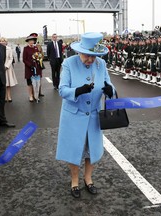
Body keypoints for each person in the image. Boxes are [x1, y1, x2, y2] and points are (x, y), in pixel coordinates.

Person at [56, 32, 115, 198]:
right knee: (75, 149)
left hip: (94, 115)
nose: (91, 60)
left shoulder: (101, 64)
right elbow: (62, 89)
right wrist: (78, 90)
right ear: (79, 51)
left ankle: (88, 178)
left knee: (92, 150)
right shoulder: (69, 63)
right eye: (87, 56)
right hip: (74, 114)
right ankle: (74, 180)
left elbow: (109, 83)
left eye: (94, 56)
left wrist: (110, 89)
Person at [23, 33, 43, 102]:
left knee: (36, 82)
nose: (31, 42)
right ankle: (30, 95)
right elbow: (24, 59)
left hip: (36, 68)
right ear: (28, 41)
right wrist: (30, 65)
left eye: (32, 40)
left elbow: (39, 56)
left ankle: (36, 95)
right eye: (30, 40)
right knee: (29, 83)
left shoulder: (36, 48)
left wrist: (39, 60)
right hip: (29, 68)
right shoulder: (26, 48)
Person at [0, 37, 18, 102]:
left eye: (4, 41)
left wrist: (6, 66)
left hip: (8, 68)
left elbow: (11, 58)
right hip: (0, 68)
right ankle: (4, 97)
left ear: (6, 42)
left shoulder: (9, 49)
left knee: (8, 84)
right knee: (2, 84)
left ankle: (9, 96)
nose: (2, 42)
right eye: (1, 41)